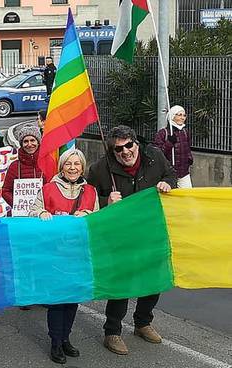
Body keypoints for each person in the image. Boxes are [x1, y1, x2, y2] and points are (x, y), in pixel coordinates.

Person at [87, 125, 176, 356]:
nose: (125, 152)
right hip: (120, 236)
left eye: (129, 145)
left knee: (154, 279)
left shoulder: (154, 157)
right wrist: (106, 199)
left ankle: (142, 323)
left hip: (151, 232)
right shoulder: (100, 169)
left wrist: (168, 183)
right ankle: (112, 332)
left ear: (136, 143)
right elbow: (86, 197)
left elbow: (171, 174)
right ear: (112, 151)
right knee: (122, 284)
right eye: (119, 149)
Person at [29, 148, 99, 364]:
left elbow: (97, 221)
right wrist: (41, 213)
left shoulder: (90, 192)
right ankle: (55, 342)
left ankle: (66, 338)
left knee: (72, 300)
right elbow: (33, 212)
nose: (72, 168)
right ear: (61, 166)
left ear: (82, 167)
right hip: (54, 255)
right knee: (57, 300)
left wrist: (87, 215)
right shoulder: (48, 189)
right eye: (68, 164)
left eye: (77, 164)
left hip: (77, 255)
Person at [2, 124, 46, 208]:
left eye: (33, 140)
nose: (29, 144)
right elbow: (6, 191)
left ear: (38, 142)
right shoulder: (14, 166)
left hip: (44, 213)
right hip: (22, 214)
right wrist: (18, 204)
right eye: (25, 141)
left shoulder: (47, 163)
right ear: (21, 144)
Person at [154, 105, 193, 188]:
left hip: (184, 173)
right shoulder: (163, 133)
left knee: (187, 197)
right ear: (172, 116)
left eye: (184, 115)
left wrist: (189, 158)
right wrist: (169, 143)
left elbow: (188, 148)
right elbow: (158, 153)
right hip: (168, 174)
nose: (182, 118)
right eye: (179, 115)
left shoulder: (185, 132)